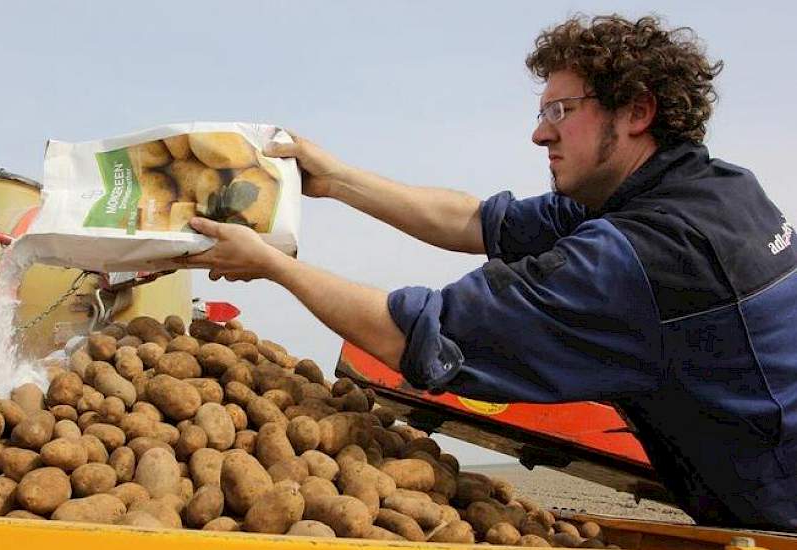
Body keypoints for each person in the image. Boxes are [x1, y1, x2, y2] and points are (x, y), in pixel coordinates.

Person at [176, 15, 797, 531]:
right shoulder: (707, 191)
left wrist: (274, 266)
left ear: (636, 111)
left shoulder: (649, 254)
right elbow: (476, 221)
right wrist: (336, 179)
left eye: (561, 109)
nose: (538, 132)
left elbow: (423, 333)